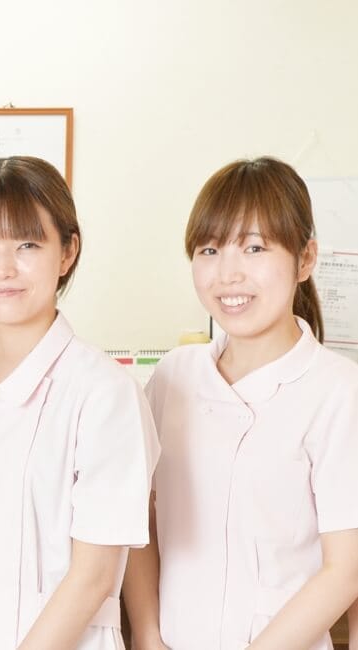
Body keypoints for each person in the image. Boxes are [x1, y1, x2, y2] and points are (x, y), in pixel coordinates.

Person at [122, 156, 358, 649]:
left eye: (254, 248)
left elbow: (345, 570)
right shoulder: (172, 377)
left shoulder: (339, 392)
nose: (228, 274)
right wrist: (147, 636)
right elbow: (139, 520)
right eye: (209, 249)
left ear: (306, 259)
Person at [0, 156, 159, 648]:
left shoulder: (105, 393)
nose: (1, 268)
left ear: (67, 252)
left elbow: (94, 576)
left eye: (27, 245)